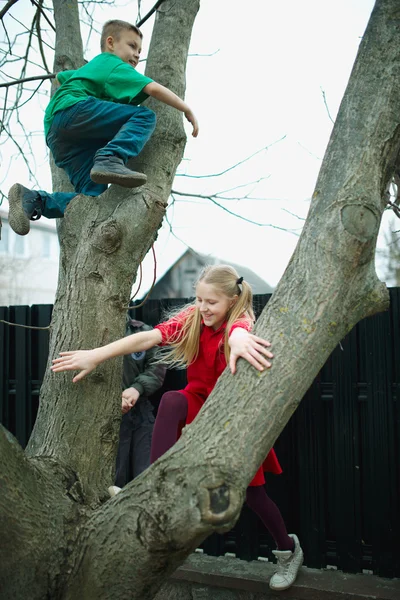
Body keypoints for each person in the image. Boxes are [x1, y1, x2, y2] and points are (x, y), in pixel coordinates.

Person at [51, 265, 303, 591]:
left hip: (231, 416)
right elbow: (148, 337)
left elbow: (241, 329)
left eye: (211, 302)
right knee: (172, 400)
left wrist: (239, 339)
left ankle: (287, 549)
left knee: (254, 494)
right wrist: (96, 355)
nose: (203, 307)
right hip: (197, 403)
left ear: (231, 300)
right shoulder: (193, 319)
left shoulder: (239, 324)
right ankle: (155, 487)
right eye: (198, 299)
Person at [8, 19, 199, 236]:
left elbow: (62, 77)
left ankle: (34, 200)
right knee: (144, 116)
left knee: (92, 200)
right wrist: (186, 109)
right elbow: (153, 88)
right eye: (132, 46)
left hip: (60, 136)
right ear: (110, 43)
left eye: (139, 50)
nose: (137, 54)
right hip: (73, 113)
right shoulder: (112, 63)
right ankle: (110, 157)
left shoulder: (94, 69)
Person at [115, 316, 166, 487]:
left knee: (147, 473)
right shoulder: (90, 333)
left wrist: (137, 388)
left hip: (141, 411)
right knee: (113, 475)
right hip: (106, 416)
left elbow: (157, 367)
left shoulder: (142, 331)